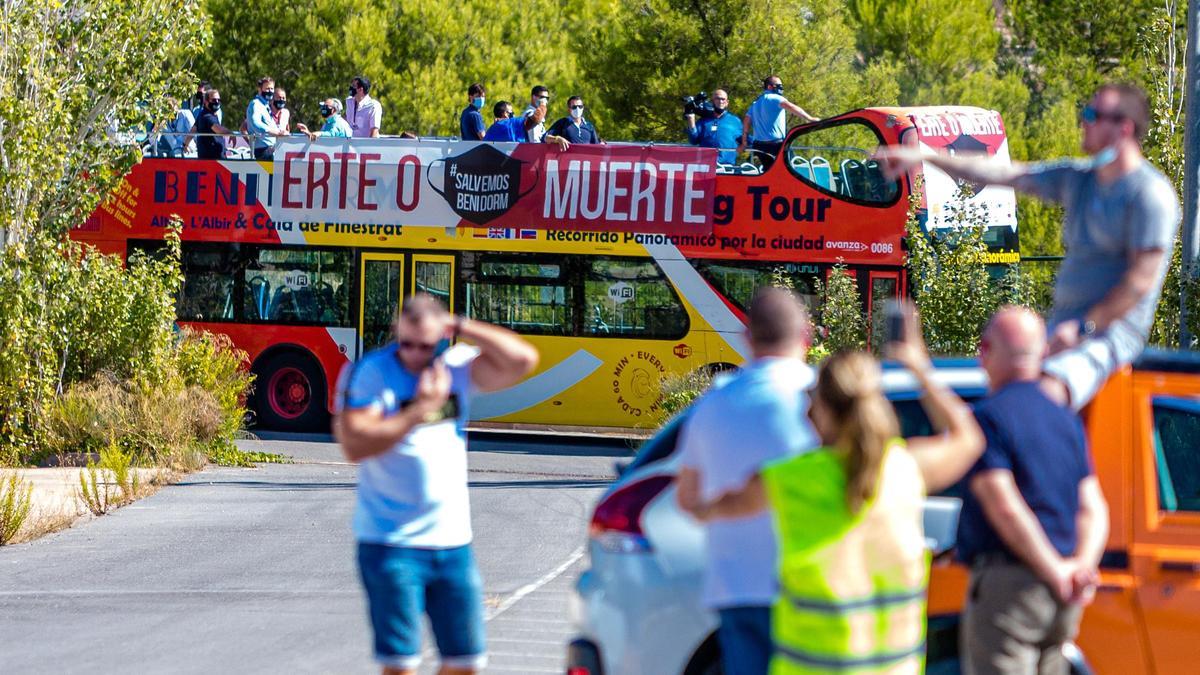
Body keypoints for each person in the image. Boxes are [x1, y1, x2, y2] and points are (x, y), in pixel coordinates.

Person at [691, 304, 985, 674]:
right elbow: (969, 437)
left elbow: (706, 508)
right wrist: (917, 366)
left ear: (823, 410)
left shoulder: (786, 479)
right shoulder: (905, 468)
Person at [878, 83, 1181, 410]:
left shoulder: (1150, 195)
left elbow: (1140, 282)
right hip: (1062, 330)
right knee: (996, 389)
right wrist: (922, 155)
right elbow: (1005, 172)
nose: (1084, 121)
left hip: (1107, 338)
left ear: (1124, 128)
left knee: (1039, 399)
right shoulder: (1080, 179)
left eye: (1093, 114)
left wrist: (1083, 327)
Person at [335, 294, 538, 675]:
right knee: (402, 666)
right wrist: (417, 410)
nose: (415, 354)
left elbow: (523, 360)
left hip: (453, 545)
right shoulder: (371, 373)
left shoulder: (455, 368)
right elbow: (355, 444)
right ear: (396, 333)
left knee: (466, 662)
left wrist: (459, 324)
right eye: (407, 343)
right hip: (392, 545)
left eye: (425, 345)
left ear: (441, 338)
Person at [674, 288, 820, 675]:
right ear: (806, 336)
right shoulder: (824, 401)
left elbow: (686, 499)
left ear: (747, 338)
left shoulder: (713, 406)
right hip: (809, 588)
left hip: (736, 589)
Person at [956, 307, 1109, 675]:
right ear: (1043, 354)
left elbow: (1004, 504)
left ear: (985, 349)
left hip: (1012, 589)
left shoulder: (988, 417)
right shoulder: (1066, 420)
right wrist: (1079, 569)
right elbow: (1094, 508)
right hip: (1064, 597)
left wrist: (1054, 570)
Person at [737, 76, 819, 169]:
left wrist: (744, 143)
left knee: (769, 171)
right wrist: (809, 118)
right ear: (769, 87)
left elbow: (746, 122)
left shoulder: (756, 103)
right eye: (778, 85)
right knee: (792, 169)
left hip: (759, 146)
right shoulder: (775, 98)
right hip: (776, 146)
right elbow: (792, 107)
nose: (781, 88)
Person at [686, 89, 743, 165]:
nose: (720, 101)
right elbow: (693, 140)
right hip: (705, 166)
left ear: (727, 102)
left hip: (727, 167)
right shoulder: (703, 121)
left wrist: (760, 143)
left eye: (723, 99)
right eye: (717, 99)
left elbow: (745, 139)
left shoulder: (735, 121)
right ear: (712, 101)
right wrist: (691, 118)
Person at [245, 76, 288, 159]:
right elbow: (256, 123)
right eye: (267, 89)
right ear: (260, 89)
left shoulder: (265, 106)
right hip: (263, 151)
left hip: (271, 149)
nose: (270, 91)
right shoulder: (256, 104)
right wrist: (276, 133)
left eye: (272, 89)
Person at [189, 88, 234, 160]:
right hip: (212, 159)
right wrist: (231, 133)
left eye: (218, 100)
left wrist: (186, 144)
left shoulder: (202, 114)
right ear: (206, 101)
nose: (217, 102)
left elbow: (193, 129)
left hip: (210, 157)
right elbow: (218, 129)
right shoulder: (207, 116)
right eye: (214, 100)